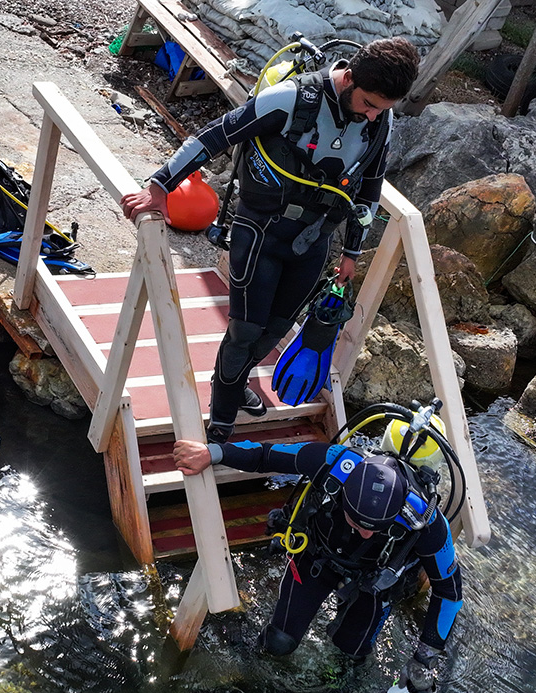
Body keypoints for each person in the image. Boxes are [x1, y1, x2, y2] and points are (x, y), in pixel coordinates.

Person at [121, 38, 420, 444]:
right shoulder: (290, 99)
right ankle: (222, 417)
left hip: (313, 242)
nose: (371, 116)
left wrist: (351, 252)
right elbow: (216, 136)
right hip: (260, 230)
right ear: (348, 77)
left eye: (381, 110)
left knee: (274, 331)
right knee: (245, 330)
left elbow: (368, 192)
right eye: (368, 103)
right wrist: (160, 185)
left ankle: (234, 381)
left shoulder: (378, 123)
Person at [172, 431, 463, 693]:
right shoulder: (335, 463)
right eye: (355, 519)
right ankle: (245, 683)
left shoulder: (427, 522)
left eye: (374, 527)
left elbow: (449, 591)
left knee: (348, 662)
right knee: (279, 643)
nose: (363, 532)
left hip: (374, 584)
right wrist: (213, 453)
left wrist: (424, 658)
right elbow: (266, 454)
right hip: (318, 558)